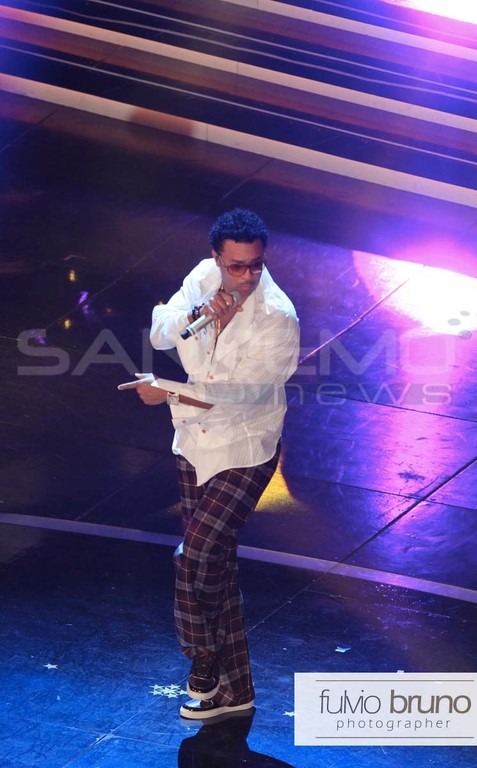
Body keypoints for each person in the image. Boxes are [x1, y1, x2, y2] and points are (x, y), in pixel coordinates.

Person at [118, 208, 299, 720]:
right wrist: (196, 316)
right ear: (217, 258)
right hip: (194, 445)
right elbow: (160, 333)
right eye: (236, 266)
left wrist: (167, 393)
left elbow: (240, 396)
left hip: (245, 448)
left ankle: (201, 661)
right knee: (214, 565)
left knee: (194, 555)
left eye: (256, 265)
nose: (247, 276)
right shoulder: (202, 278)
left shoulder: (278, 318)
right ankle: (235, 689)